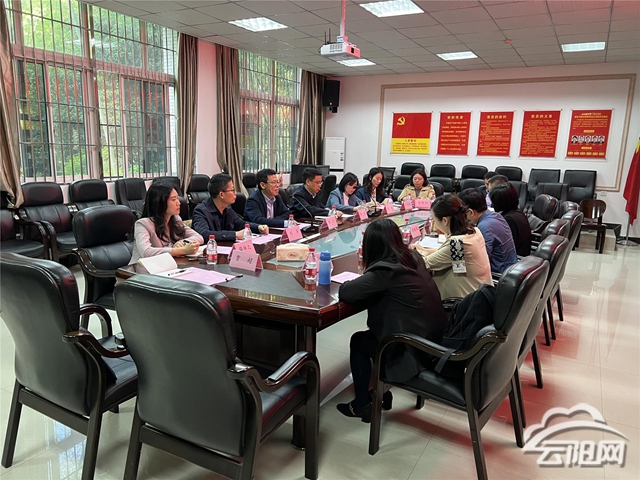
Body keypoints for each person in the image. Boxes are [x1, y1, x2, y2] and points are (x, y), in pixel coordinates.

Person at [337, 218, 447, 421]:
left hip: (413, 349)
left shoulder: (386, 271)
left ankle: (361, 405)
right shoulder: (412, 257)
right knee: (374, 336)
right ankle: (382, 394)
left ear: (371, 246)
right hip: (434, 337)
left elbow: (347, 292)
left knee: (359, 341)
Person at [411, 194, 493, 300]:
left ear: (445, 220)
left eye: (434, 220)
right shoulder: (474, 231)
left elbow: (424, 264)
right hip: (479, 296)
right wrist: (423, 250)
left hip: (463, 303)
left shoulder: (458, 243)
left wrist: (410, 253)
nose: (435, 224)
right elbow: (448, 255)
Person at [129, 180, 203, 265]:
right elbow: (146, 252)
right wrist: (182, 250)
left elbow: (199, 237)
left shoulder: (175, 219)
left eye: (178, 198)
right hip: (141, 270)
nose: (178, 203)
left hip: (166, 266)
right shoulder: (142, 224)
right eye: (173, 199)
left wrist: (181, 242)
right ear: (160, 202)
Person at [192, 173, 268, 242]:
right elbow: (204, 234)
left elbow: (240, 224)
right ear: (221, 195)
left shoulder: (227, 208)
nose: (235, 193)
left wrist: (258, 227)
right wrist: (234, 235)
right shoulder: (201, 211)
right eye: (232, 190)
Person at [458, 188, 518, 274]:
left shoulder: (484, 227)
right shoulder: (496, 216)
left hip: (497, 274)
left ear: (471, 212)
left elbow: (480, 262)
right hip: (510, 268)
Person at [489, 183, 532, 257]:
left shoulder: (509, 220)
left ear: (500, 202)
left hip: (516, 258)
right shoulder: (517, 212)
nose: (492, 204)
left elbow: (505, 247)